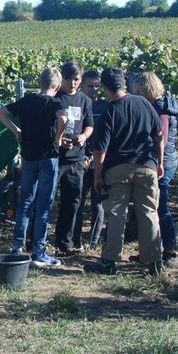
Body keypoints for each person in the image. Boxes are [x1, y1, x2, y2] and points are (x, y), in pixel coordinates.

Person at [84, 67, 165, 276]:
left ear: (104, 88)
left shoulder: (111, 111)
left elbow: (100, 150)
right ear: (124, 83)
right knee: (149, 213)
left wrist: (98, 176)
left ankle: (109, 261)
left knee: (117, 213)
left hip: (118, 168)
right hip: (146, 166)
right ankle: (154, 262)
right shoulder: (144, 104)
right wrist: (160, 162)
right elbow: (159, 135)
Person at [0, 68, 66, 267]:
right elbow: (63, 118)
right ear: (58, 86)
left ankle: (17, 247)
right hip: (48, 157)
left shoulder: (27, 101)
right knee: (44, 204)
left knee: (25, 202)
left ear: (40, 82)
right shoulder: (54, 103)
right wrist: (58, 137)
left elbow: (0, 113)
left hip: (28, 157)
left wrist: (16, 130)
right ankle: (39, 252)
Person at [133, 72, 178, 268]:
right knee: (154, 208)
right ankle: (152, 251)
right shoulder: (163, 105)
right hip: (164, 161)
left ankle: (170, 252)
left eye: (138, 92)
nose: (136, 95)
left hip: (162, 164)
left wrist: (159, 165)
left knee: (160, 208)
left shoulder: (161, 110)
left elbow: (160, 137)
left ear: (147, 91)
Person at [53, 61, 93, 256]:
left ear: (81, 79)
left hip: (76, 160)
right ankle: (35, 241)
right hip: (56, 158)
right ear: (62, 78)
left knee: (73, 202)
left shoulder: (85, 101)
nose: (72, 82)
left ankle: (65, 242)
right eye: (68, 78)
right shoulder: (56, 99)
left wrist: (84, 136)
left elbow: (89, 124)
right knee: (47, 199)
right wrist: (58, 141)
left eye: (76, 79)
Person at [74, 68, 109, 249]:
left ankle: (93, 242)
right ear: (82, 86)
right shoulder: (78, 105)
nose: (94, 89)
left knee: (98, 203)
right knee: (78, 201)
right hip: (81, 160)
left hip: (99, 161)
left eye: (97, 86)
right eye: (90, 86)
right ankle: (76, 240)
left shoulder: (105, 107)